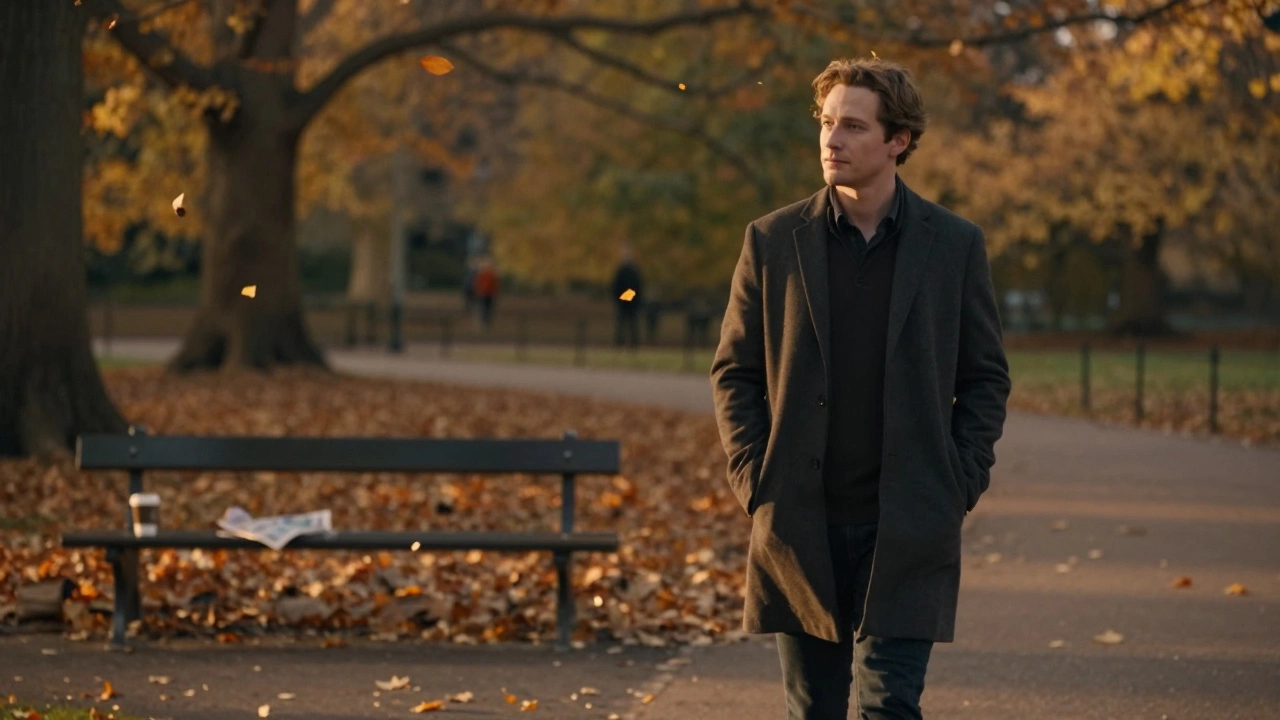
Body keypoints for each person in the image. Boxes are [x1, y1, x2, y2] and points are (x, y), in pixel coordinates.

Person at [709, 57, 1011, 720]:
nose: (832, 140)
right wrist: (754, 476)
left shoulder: (954, 245)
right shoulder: (772, 240)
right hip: (800, 520)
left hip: (909, 520)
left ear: (897, 140)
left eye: (852, 126)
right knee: (812, 709)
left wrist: (960, 478)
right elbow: (735, 371)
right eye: (826, 123)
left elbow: (985, 376)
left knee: (891, 706)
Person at [611, 248, 644, 348]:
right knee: (622, 323)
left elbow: (637, 286)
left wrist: (632, 297)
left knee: (631, 323)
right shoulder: (621, 271)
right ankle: (620, 342)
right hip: (624, 301)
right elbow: (616, 286)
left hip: (632, 301)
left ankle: (633, 343)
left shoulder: (633, 271)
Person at [472, 257, 498, 332]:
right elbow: (477, 284)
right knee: (484, 309)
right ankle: (484, 323)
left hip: (488, 294)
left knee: (487, 309)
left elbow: (495, 285)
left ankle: (486, 323)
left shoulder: (491, 275)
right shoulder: (483, 275)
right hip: (483, 294)